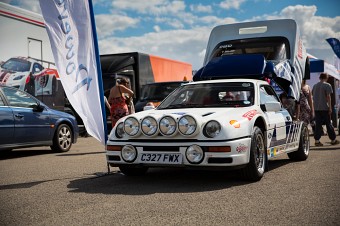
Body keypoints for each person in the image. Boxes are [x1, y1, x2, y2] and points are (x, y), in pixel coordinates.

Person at [312, 72, 339, 146]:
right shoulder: (327, 85)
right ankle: (333, 139)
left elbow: (313, 96)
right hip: (324, 107)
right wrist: (330, 107)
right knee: (328, 124)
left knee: (318, 124)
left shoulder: (315, 86)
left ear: (320, 77)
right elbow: (328, 97)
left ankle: (317, 140)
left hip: (317, 108)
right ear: (326, 78)